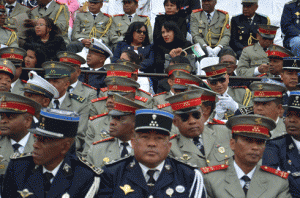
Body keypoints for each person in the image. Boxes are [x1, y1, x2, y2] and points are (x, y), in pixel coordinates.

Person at [97, 109, 207, 197]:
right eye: (145, 137)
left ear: (169, 146)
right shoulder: (111, 174)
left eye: (159, 138)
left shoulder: (189, 175)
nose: (151, 144)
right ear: (133, 143)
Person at [2, 108, 102, 198]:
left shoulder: (83, 176)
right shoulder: (19, 167)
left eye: (44, 141)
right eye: (36, 139)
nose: (35, 145)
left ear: (65, 146)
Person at [204, 114, 291, 198]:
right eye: (248, 141)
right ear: (232, 144)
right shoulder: (211, 180)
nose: (255, 147)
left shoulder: (277, 183)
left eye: (260, 142)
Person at [167, 90, 233, 168]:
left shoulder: (225, 132)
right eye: (185, 118)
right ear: (175, 122)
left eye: (196, 115)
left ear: (203, 115)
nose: (192, 121)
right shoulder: (171, 148)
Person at [42, 61, 89, 153]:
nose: (50, 85)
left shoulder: (80, 104)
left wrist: (56, 148)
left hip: (66, 152)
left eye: (55, 81)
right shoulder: (40, 101)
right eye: (48, 81)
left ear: (66, 85)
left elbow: (79, 137)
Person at [86, 93, 145, 166]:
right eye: (113, 118)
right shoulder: (97, 150)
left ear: (135, 123)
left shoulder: (146, 150)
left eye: (119, 119)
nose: (112, 123)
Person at [263, 91, 300, 197]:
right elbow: (272, 187)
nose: (292, 120)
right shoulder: (274, 147)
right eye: (288, 115)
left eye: (298, 116)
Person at [0, 92, 41, 179]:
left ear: (28, 121)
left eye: (10, 117)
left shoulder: (41, 144)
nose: (3, 121)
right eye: (2, 116)